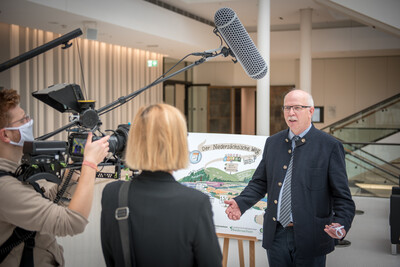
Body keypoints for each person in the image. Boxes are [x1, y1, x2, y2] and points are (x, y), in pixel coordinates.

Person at [225, 89, 355, 267]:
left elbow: (342, 197)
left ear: (310, 111)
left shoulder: (330, 146)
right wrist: (241, 202)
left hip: (312, 236)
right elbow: (260, 182)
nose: (291, 113)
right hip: (276, 233)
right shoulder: (273, 142)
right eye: (287, 108)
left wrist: (341, 223)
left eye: (297, 108)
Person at [100, 103, 222, 267]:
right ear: (178, 143)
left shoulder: (112, 194)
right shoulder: (196, 203)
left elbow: (111, 259)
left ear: (135, 141)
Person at [0, 88, 110, 266]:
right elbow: (73, 223)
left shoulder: (11, 173)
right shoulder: (5, 187)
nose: (29, 122)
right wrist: (90, 164)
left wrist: (72, 177)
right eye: (23, 120)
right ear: (6, 134)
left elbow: (42, 207)